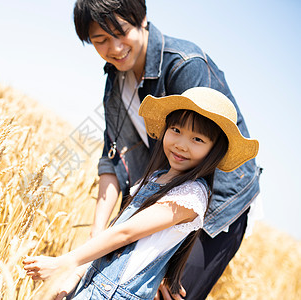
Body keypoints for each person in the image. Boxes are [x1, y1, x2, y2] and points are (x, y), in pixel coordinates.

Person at [71, 1, 262, 299]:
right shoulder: (115, 82)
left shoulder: (185, 64)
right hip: (156, 202)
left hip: (211, 213)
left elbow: (210, 170)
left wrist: (168, 259)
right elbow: (112, 160)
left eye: (121, 33)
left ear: (142, 19)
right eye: (101, 40)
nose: (115, 47)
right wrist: (96, 237)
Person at [23, 87, 259, 299]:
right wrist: (75, 275)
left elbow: (126, 233)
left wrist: (66, 262)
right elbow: (114, 234)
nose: (181, 144)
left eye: (197, 139)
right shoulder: (156, 178)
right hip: (94, 284)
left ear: (214, 151)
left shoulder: (191, 196)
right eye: (176, 129)